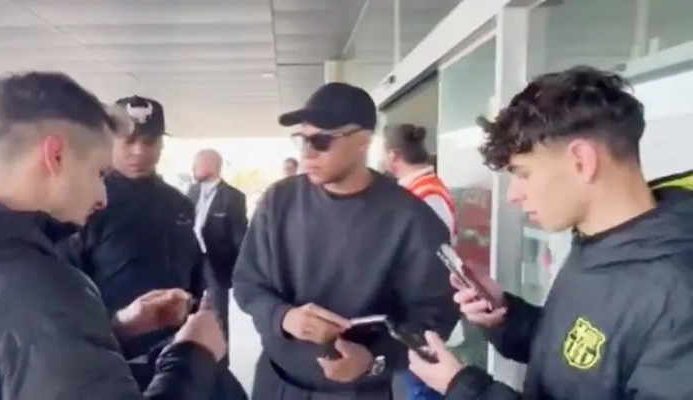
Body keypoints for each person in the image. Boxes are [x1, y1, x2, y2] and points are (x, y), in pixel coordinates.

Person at [0, 71, 226, 399]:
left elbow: (12, 359)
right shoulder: (33, 287)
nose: (102, 197)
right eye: (99, 172)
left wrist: (116, 330)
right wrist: (193, 355)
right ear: (55, 156)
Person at [407, 66, 693, 399]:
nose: (513, 195)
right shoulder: (597, 245)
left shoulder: (679, 295)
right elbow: (578, 359)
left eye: (523, 174)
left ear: (582, 160)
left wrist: (464, 388)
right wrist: (504, 317)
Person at [233, 82, 460, 400]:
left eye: (321, 141)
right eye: (302, 139)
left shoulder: (411, 219)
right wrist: (283, 317)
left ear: (363, 141)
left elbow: (434, 317)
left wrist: (373, 358)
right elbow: (247, 281)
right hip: (275, 383)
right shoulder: (278, 201)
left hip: (358, 391)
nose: (307, 153)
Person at [59, 95, 205, 389]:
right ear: (107, 140)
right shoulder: (83, 202)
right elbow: (63, 291)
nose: (139, 151)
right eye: (129, 141)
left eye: (150, 141)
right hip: (110, 362)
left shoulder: (178, 203)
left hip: (176, 357)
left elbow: (194, 273)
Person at [382, 123, 457, 400]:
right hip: (414, 305)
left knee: (423, 386)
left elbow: (427, 258)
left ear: (393, 156)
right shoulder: (417, 189)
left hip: (422, 310)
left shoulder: (424, 194)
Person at [188, 148, 248, 362]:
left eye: (198, 164)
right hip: (191, 260)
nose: (193, 168)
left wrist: (242, 270)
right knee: (190, 310)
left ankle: (221, 364)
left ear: (213, 166)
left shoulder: (233, 197)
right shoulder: (192, 191)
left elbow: (239, 235)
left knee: (218, 314)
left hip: (216, 261)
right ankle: (192, 360)